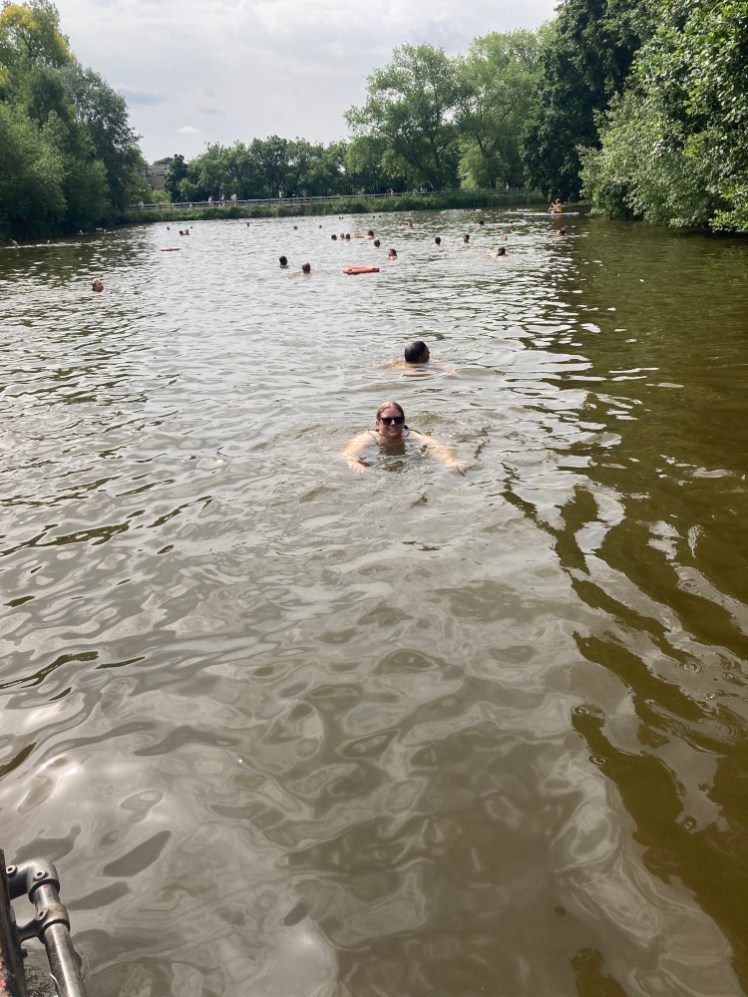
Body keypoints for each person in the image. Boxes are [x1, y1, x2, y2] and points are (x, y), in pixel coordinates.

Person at [342, 401, 467, 474]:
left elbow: (437, 447)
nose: (393, 423)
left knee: (427, 452)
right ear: (377, 424)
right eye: (387, 420)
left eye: (398, 419)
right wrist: (353, 462)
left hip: (406, 456)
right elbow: (347, 453)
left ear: (403, 421)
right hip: (379, 460)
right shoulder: (369, 437)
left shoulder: (410, 435)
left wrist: (449, 461)